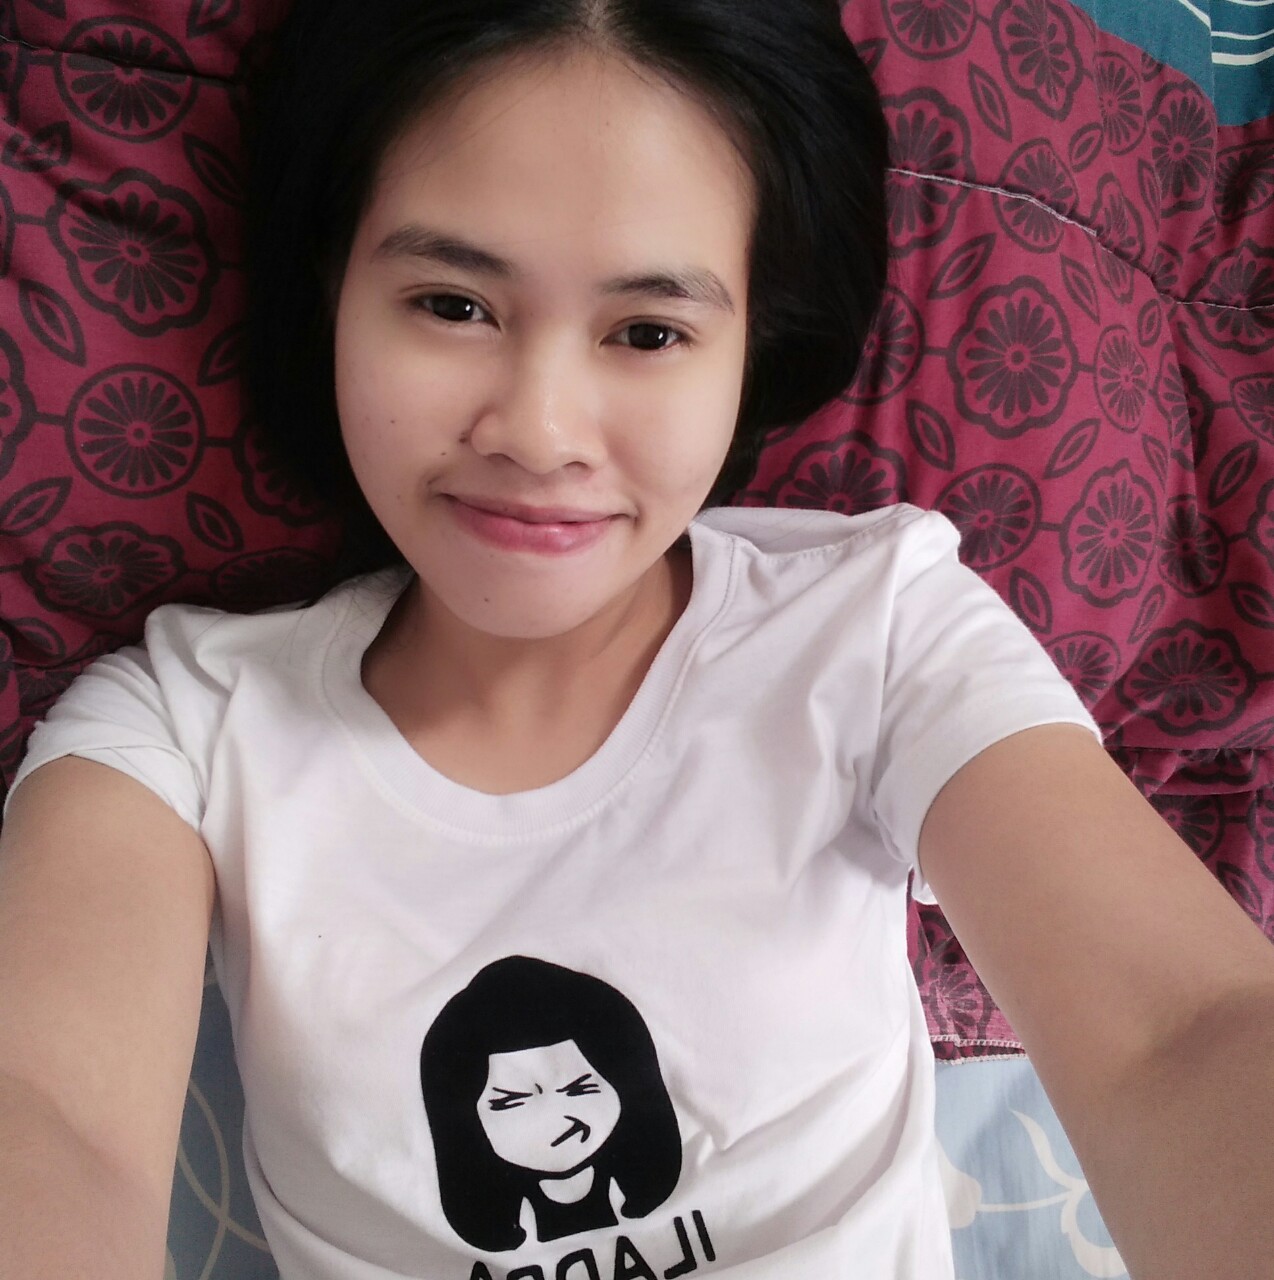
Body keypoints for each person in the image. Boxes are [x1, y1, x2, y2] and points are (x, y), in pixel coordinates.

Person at [0, 1, 1271, 1278]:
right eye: (450, 304)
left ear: (751, 348)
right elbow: (51, 1116)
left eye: (648, 333)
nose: (537, 431)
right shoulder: (177, 733)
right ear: (332, 290)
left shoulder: (878, 631)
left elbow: (1178, 1031)